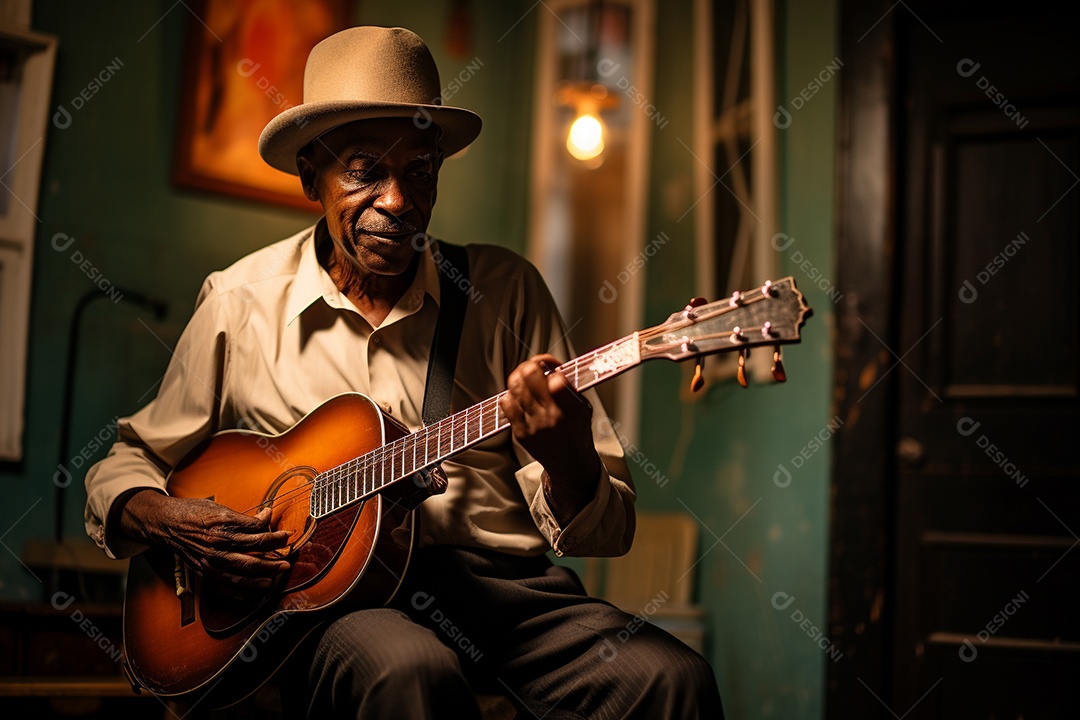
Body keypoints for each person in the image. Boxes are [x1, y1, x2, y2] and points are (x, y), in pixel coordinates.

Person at [84, 25, 724, 719]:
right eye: (364, 170)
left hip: (502, 594)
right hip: (342, 607)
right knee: (406, 669)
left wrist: (569, 457)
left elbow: (609, 535)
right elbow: (126, 464)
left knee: (672, 678)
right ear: (311, 176)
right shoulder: (239, 303)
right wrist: (173, 521)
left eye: (420, 171)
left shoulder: (505, 291)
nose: (397, 201)